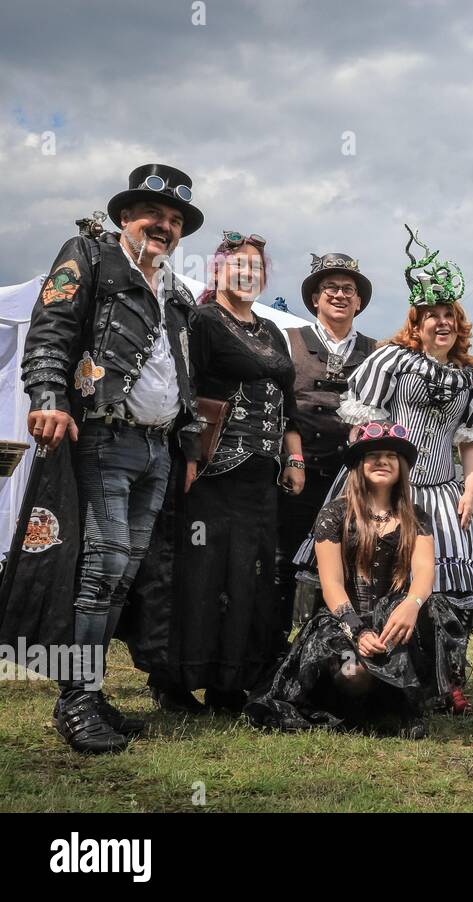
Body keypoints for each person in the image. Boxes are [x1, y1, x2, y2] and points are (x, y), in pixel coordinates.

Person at [17, 163, 204, 753]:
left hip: (157, 447)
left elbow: (181, 372)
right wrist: (48, 395)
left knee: (124, 571)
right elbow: (51, 328)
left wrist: (189, 441)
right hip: (103, 435)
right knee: (101, 568)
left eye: (175, 220)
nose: (165, 226)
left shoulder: (175, 291)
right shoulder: (91, 256)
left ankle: (90, 693)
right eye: (155, 215)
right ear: (126, 216)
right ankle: (76, 701)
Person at [303, 229, 473, 673]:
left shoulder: (472, 378)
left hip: (442, 493)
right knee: (367, 575)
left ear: (459, 325)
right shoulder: (391, 360)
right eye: (432, 315)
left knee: (435, 587)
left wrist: (470, 489)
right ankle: (351, 659)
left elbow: (472, 441)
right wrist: (366, 490)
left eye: (450, 315)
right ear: (418, 323)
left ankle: (441, 675)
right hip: (384, 487)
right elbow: (361, 429)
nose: (441, 322)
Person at [245, 423, 469, 734]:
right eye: (372, 455)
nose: (382, 461)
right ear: (358, 466)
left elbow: (424, 574)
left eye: (391, 455)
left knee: (406, 649)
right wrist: (358, 632)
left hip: (397, 621)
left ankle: (396, 697)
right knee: (353, 676)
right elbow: (332, 585)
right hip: (344, 621)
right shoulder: (334, 514)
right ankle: (366, 698)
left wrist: (411, 605)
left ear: (402, 466)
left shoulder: (416, 517)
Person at [161, 232, 303, 713]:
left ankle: (229, 682)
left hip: (261, 477)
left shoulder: (272, 331)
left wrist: (295, 456)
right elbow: (184, 391)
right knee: (200, 572)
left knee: (250, 574)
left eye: (256, 269)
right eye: (238, 266)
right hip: (211, 472)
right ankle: (176, 682)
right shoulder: (201, 321)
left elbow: (290, 404)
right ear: (218, 270)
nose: (248, 275)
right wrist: (190, 458)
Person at [276, 252, 377, 636]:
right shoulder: (288, 341)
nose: (339, 295)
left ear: (359, 301)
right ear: (315, 298)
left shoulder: (375, 350)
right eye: (330, 288)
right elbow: (281, 404)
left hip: (352, 481)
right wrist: (292, 458)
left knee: (349, 563)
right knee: (284, 561)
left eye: (348, 289)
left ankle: (335, 653)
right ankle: (276, 654)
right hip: (298, 474)